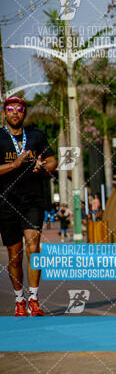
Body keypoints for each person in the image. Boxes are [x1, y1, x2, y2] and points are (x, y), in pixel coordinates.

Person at [0, 96, 57, 316]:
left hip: (33, 199)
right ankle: (19, 300)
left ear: (25, 113)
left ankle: (33, 299)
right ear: (5, 113)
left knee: (34, 248)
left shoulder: (36, 136)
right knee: (15, 255)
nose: (15, 112)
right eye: (11, 109)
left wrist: (44, 167)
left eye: (20, 109)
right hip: (6, 202)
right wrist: (14, 164)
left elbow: (52, 161)